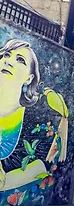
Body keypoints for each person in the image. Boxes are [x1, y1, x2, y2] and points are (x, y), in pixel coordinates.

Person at [0, 39, 41, 188]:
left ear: (29, 78)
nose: (8, 61)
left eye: (20, 60)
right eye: (6, 55)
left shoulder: (32, 123)